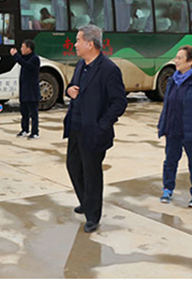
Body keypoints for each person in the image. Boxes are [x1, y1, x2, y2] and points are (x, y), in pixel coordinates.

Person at [63, 25, 127, 233]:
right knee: (73, 166)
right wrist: (69, 90)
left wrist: (102, 124)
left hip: (94, 131)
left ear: (90, 44)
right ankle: (86, 201)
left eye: (78, 40)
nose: (75, 44)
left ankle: (93, 215)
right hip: (76, 127)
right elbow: (73, 87)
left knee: (91, 173)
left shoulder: (108, 69)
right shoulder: (81, 65)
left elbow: (119, 102)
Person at [158, 45, 192, 208]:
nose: (176, 61)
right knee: (170, 161)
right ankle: (167, 189)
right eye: (176, 58)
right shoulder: (172, 80)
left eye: (180, 58)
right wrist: (162, 124)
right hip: (173, 128)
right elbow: (167, 105)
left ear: (190, 61)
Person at [10, 39, 41, 140]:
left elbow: (26, 65)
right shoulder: (25, 57)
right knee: (24, 112)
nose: (21, 49)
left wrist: (15, 55)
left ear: (29, 49)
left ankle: (35, 132)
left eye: (23, 47)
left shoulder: (35, 58)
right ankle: (25, 129)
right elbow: (21, 61)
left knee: (33, 113)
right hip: (24, 90)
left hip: (32, 91)